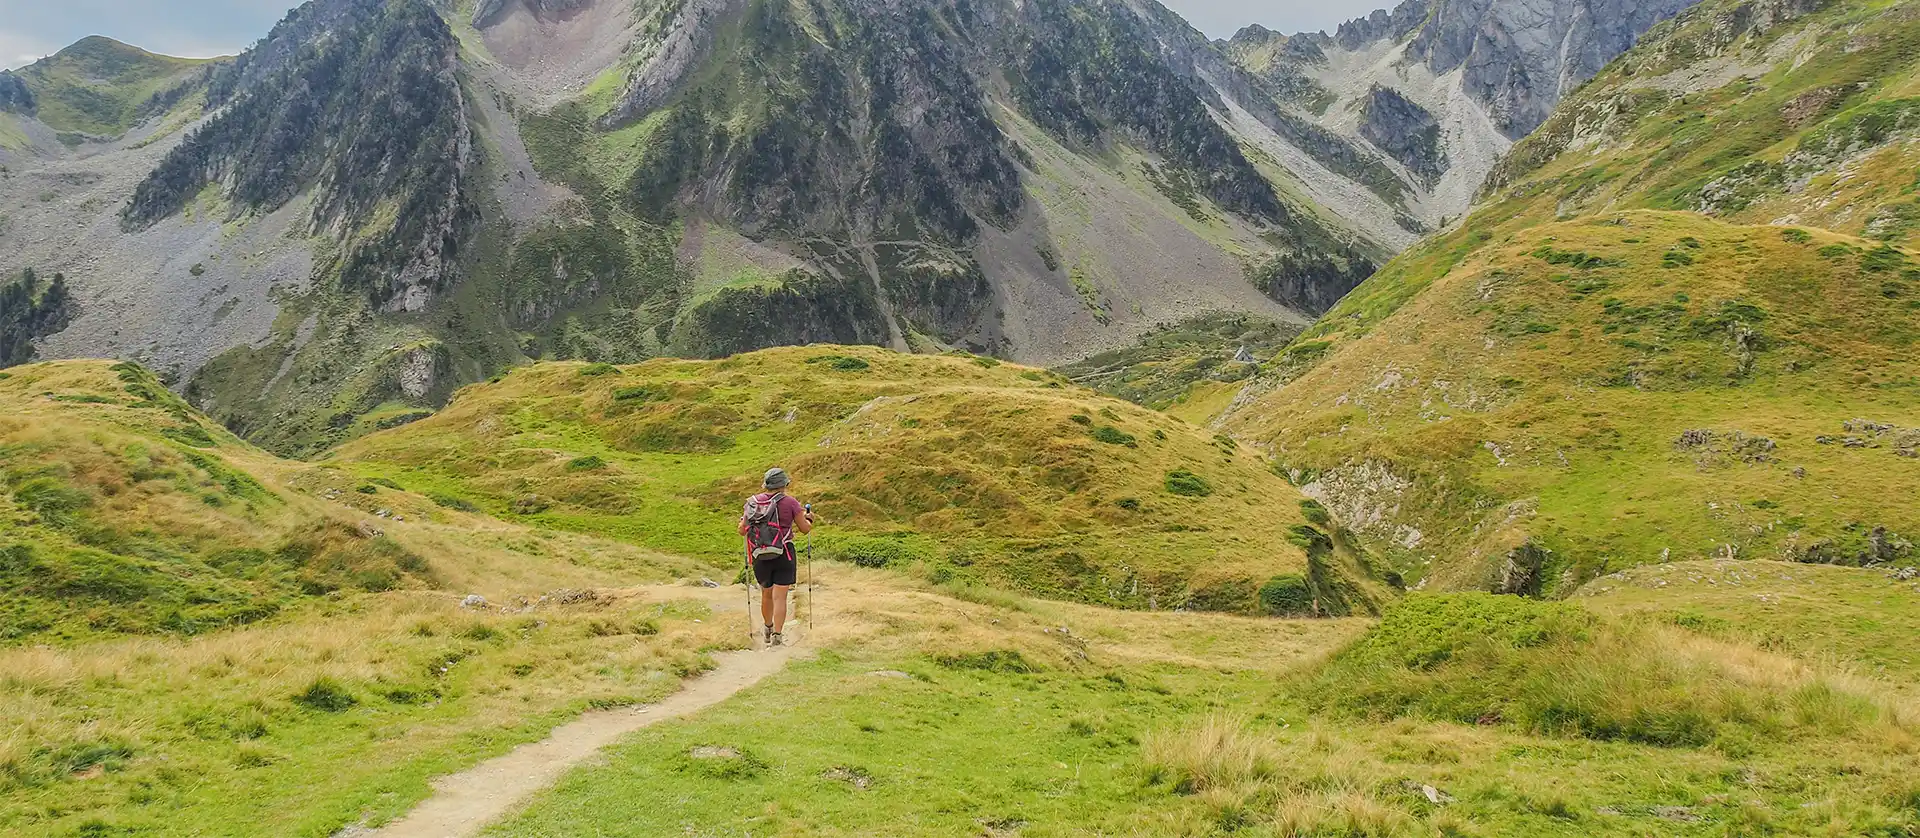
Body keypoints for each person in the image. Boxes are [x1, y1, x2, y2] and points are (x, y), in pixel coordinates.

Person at [738, 467, 812, 646]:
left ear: (766, 484)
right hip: (784, 552)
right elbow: (805, 529)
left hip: (759, 554)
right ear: (784, 484)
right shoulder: (791, 503)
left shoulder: (752, 503)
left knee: (766, 594)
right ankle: (778, 636)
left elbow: (742, 530)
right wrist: (810, 519)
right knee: (780, 596)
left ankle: (768, 628)